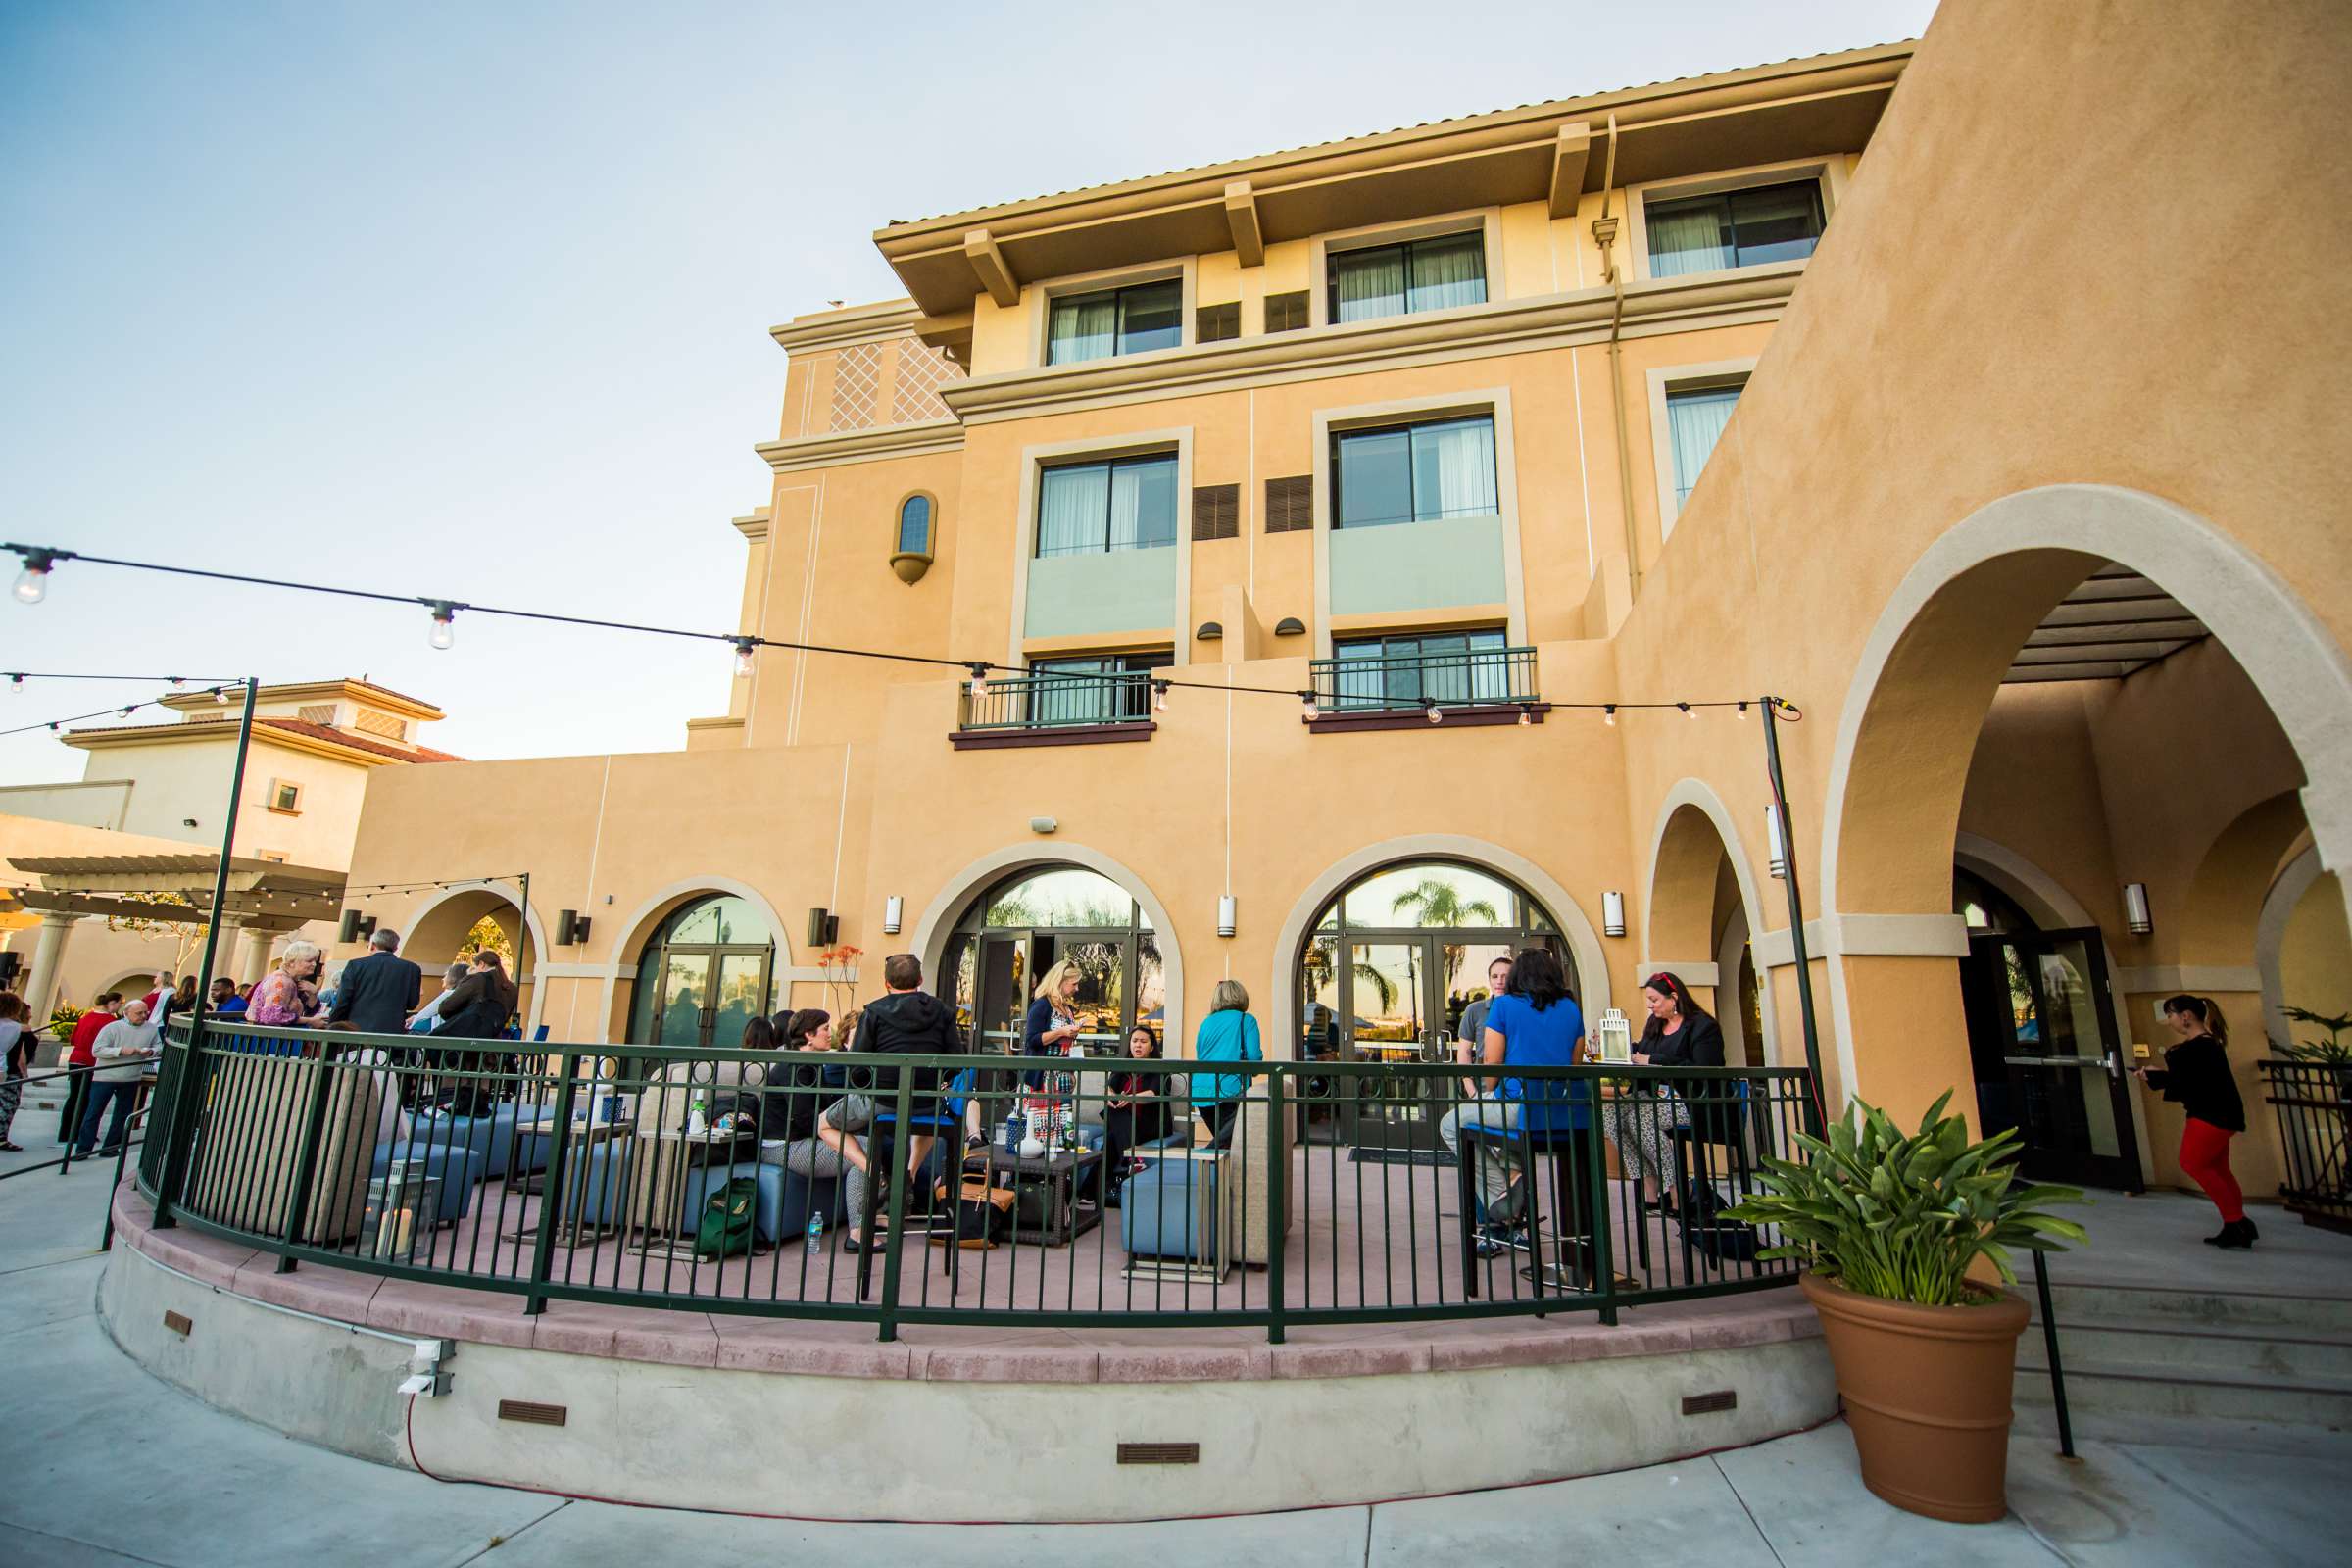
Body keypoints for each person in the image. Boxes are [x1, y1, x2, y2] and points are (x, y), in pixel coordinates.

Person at [1438, 948, 1586, 1256]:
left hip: (1518, 1105)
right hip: (1561, 1111)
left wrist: (1488, 1092)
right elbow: (1575, 1063)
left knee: (1451, 1124)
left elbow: (1493, 1063)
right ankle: (1515, 1188)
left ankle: (1502, 1187)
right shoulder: (1571, 1008)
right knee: (1507, 1140)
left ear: (1519, 975)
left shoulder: (1503, 1006)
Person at [759, 1007, 881, 1250]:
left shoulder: (812, 1065)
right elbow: (806, 1120)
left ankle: (865, 1222)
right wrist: (838, 1129)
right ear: (808, 1035)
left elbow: (825, 1111)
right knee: (860, 1152)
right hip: (783, 1147)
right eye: (825, 1029)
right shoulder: (793, 1068)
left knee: (866, 1144)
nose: (830, 1034)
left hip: (801, 1140)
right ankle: (858, 1232)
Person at [2136, 994, 2253, 1249]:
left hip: (2208, 1115)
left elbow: (2183, 1084)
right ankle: (2239, 1220)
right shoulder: (2209, 1044)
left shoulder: (2194, 1048)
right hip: (2224, 1114)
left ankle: (2235, 1222)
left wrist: (2155, 1077)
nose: (2170, 1021)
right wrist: (2161, 1075)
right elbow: (2192, 1080)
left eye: (2171, 1015)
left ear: (2186, 1016)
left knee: (2193, 1163)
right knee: (2219, 1168)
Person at [1606, 971, 1727, 1216]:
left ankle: (1675, 1190)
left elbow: (1705, 1068)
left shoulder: (1703, 1026)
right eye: (1649, 1001)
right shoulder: (1655, 1024)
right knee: (1611, 1117)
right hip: (1654, 1096)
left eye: (1655, 1000)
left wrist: (1654, 1061)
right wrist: (1615, 1048)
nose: (1651, 1006)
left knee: (1642, 1120)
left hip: (1691, 1099)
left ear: (1674, 997)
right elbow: (1642, 1049)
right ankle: (1650, 1186)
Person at [852, 954, 957, 1213]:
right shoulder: (942, 1011)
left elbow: (857, 1066)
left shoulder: (873, 1012)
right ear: (920, 980)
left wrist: (868, 1088)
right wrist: (940, 1082)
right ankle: (908, 1174)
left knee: (824, 1124)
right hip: (925, 1102)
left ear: (886, 982)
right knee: (929, 1119)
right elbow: (956, 1059)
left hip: (884, 1101)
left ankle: (877, 1174)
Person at [77, 998, 161, 1157]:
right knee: (94, 1112)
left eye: (145, 1012)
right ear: (126, 1013)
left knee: (123, 1114)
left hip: (131, 1077)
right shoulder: (112, 1028)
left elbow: (158, 1046)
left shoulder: (151, 1029)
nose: (143, 1016)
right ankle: (83, 1148)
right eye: (139, 1013)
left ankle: (110, 1147)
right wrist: (120, 1051)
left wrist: (150, 1051)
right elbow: (97, 1050)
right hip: (105, 1076)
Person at [1100, 1024, 1172, 1198]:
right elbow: (1108, 1088)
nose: (1138, 1045)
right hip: (1126, 1125)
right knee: (1113, 1120)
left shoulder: (1161, 1070)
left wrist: (1131, 1098)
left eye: (1143, 1041)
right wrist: (1111, 1097)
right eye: (1134, 1041)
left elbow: (1152, 1094)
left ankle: (1089, 1193)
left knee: (1112, 1128)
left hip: (1150, 1126)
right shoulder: (1123, 1067)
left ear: (1152, 1046)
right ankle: (1132, 1162)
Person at [1188, 979, 1262, 1147]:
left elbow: (1201, 1056)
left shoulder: (1206, 1022)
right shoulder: (1246, 1020)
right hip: (1229, 1089)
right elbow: (1255, 1057)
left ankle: (1215, 1167)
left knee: (1228, 1144)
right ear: (1241, 996)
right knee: (1230, 1143)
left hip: (1201, 1091)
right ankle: (1205, 1158)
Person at [329, 927, 425, 1036]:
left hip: (357, 1031)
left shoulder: (355, 965)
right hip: (392, 1033)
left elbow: (342, 1001)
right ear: (395, 947)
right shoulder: (412, 969)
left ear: (373, 945)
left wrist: (332, 1025)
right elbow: (412, 1003)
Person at [61, 993, 120, 1147]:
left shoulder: (85, 1017)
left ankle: (65, 1132)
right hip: (92, 1061)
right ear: (112, 1003)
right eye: (120, 1003)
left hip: (75, 1059)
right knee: (87, 1098)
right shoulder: (110, 1022)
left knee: (74, 1097)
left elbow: (73, 1039)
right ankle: (80, 1132)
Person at [1023, 960, 1083, 1086]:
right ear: (1060, 981)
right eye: (1074, 984)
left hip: (1064, 1086)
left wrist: (1071, 1074)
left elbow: (1068, 1044)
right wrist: (1061, 1031)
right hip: (1043, 1084)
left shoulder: (1067, 1008)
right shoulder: (1041, 1005)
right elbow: (1032, 1040)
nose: (1077, 989)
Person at [1452, 956, 1517, 1066]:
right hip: (1482, 1082)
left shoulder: (1523, 1010)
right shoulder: (1474, 1010)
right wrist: (1468, 1082)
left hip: (1516, 1081)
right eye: (1495, 976)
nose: (1500, 981)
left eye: (1505, 976)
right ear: (1489, 980)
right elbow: (1464, 1051)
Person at [248, 942, 327, 1026]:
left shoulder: (292, 980)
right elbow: (272, 1017)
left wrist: (313, 994)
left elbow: (309, 1012)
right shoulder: (282, 982)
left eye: (314, 961)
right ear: (291, 962)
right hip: (268, 1037)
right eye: (309, 961)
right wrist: (309, 1021)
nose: (314, 964)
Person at [0, 994, 36, 1152]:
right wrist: (24, 1072)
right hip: (8, 1071)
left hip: (6, 1067)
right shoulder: (17, 1028)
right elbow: (21, 1055)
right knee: (7, 1104)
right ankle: (1, 1137)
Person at [408, 962, 470, 1034]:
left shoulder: (450, 994)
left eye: (446, 975)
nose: (443, 979)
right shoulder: (465, 995)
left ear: (453, 977)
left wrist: (412, 1022)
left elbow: (427, 1012)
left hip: (424, 1032)